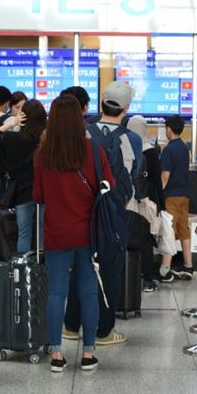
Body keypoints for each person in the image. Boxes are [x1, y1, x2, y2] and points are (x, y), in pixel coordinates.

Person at [33, 95, 114, 372]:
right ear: (80, 118)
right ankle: (89, 353)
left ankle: (57, 355)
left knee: (56, 292)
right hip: (88, 232)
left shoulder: (44, 155)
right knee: (88, 291)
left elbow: (39, 196)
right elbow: (108, 185)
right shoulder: (94, 152)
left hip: (56, 232)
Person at [63, 81, 142, 346]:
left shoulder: (82, 133)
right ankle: (103, 330)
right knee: (110, 268)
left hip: (81, 211)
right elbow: (133, 175)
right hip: (115, 213)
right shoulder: (131, 139)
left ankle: (71, 325)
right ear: (126, 109)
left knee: (80, 265)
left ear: (101, 104)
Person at [0, 99, 47, 253]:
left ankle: (24, 271)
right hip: (46, 191)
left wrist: (13, 122)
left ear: (24, 117)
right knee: (43, 232)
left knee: (24, 233)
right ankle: (42, 271)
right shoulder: (49, 140)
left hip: (22, 192)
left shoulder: (15, 139)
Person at [127, 114, 164, 293]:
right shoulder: (150, 151)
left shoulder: (122, 147)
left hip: (126, 201)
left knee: (126, 239)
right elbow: (157, 181)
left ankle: (127, 277)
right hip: (146, 202)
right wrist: (161, 204)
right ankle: (147, 279)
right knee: (146, 241)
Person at [158, 115, 193, 282]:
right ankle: (188, 265)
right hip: (184, 195)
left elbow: (165, 176)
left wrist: (158, 194)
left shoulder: (168, 150)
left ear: (169, 130)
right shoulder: (184, 148)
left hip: (170, 196)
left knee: (168, 231)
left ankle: (165, 269)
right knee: (183, 229)